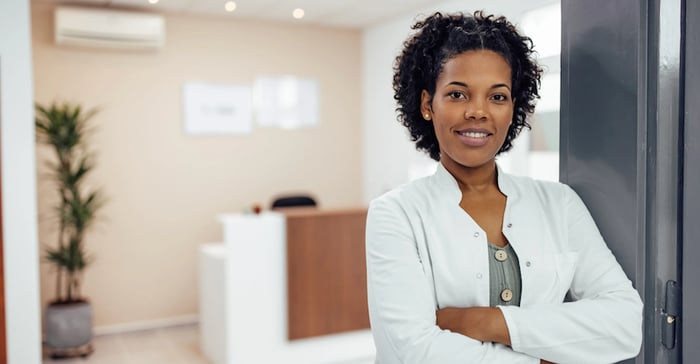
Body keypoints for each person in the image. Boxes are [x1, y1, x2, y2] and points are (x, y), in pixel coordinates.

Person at [365, 11, 643, 364]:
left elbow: (625, 324)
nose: (478, 112)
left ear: (514, 108)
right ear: (426, 105)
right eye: (457, 95)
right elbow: (414, 349)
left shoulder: (559, 203)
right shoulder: (396, 213)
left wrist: (488, 321)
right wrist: (544, 358)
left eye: (497, 97)